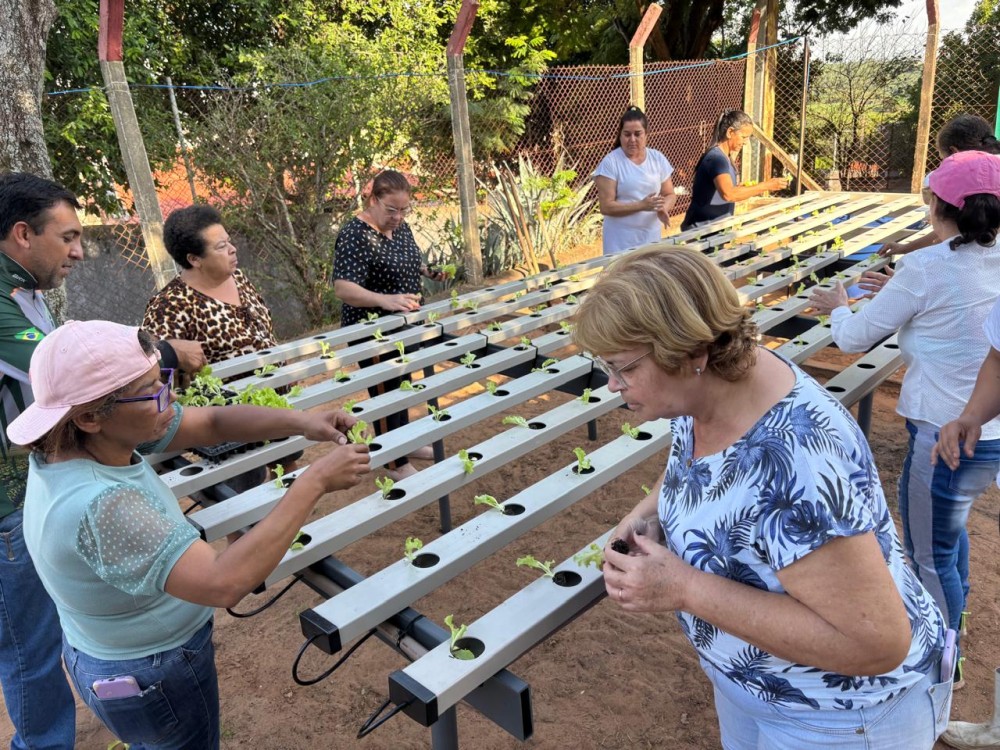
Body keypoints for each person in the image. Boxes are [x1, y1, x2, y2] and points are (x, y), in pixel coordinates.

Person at [576, 246, 950, 748]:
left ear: (691, 353)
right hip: (762, 691)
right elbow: (703, 465)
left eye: (623, 368)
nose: (612, 385)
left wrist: (683, 588)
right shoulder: (715, 388)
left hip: (838, 721)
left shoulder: (793, 462)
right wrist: (648, 511)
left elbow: (876, 642)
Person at [7, 319, 370, 749]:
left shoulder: (75, 445)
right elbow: (224, 581)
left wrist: (304, 422)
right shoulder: (102, 504)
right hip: (153, 670)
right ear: (89, 417)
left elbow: (212, 422)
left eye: (163, 379)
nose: (171, 395)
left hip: (112, 656)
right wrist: (314, 482)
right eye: (152, 390)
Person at [811, 150, 1000, 687]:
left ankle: (943, 664)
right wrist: (897, 293)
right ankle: (955, 629)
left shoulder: (925, 267)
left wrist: (839, 302)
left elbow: (852, 337)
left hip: (942, 435)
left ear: (937, 204)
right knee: (950, 535)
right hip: (990, 431)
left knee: (928, 554)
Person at [332, 170, 444, 479]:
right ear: (373, 200)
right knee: (386, 392)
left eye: (404, 209)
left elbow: (405, 260)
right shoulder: (355, 233)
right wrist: (386, 300)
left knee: (402, 384)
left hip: (404, 324)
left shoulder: (400, 227)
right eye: (391, 209)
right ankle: (394, 461)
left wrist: (427, 271)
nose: (398, 217)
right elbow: (343, 288)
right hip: (372, 330)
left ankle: (404, 443)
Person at [862, 114, 1000, 297]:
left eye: (943, 159)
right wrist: (906, 249)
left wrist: (910, 287)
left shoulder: (969, 182)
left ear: (954, 152)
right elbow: (956, 227)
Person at [143, 205, 275, 368]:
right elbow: (155, 368)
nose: (233, 249)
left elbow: (266, 338)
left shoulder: (237, 277)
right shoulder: (169, 306)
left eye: (229, 241)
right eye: (221, 246)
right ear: (194, 259)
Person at [680, 109, 789, 231]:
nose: (745, 142)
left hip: (714, 230)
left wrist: (741, 188)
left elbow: (723, 190)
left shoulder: (725, 157)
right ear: (730, 132)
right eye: (743, 137)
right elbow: (729, 194)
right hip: (701, 232)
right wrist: (767, 185)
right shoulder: (717, 159)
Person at [592, 106, 677, 255]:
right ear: (620, 135)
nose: (632, 139)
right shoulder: (610, 163)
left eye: (637, 134)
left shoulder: (657, 158)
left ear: (646, 134)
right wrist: (641, 205)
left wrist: (664, 208)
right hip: (620, 243)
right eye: (627, 134)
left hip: (650, 238)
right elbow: (606, 207)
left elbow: (669, 193)